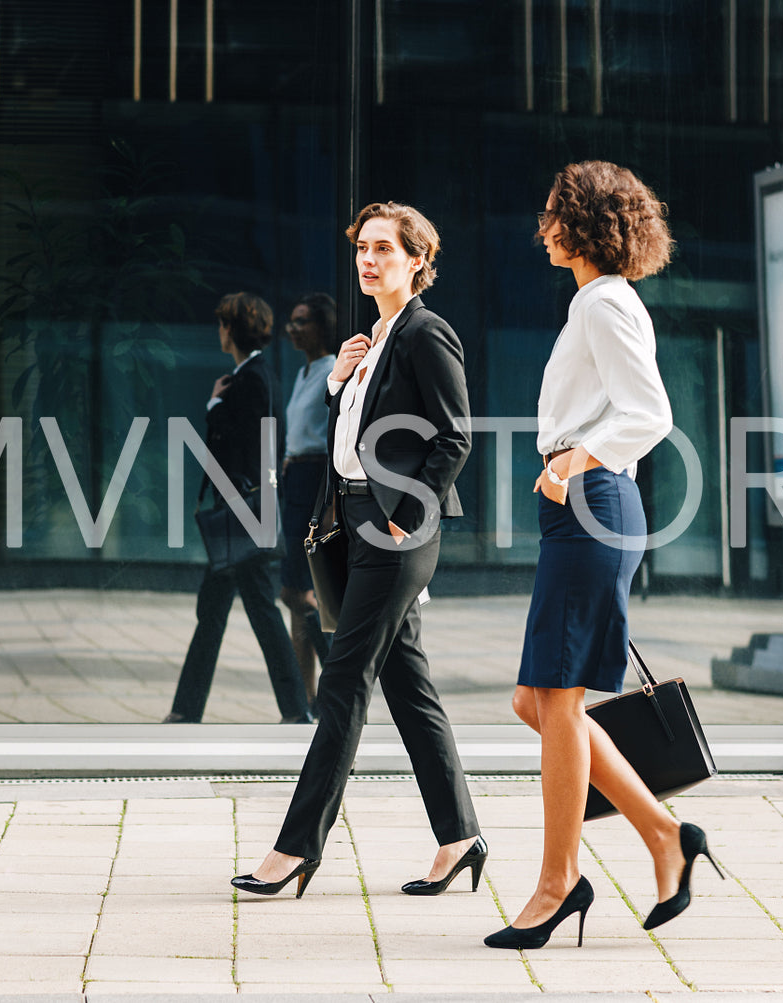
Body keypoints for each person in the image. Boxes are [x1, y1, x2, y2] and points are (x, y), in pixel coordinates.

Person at [485, 162, 720, 950]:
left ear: (582, 223)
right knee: (536, 700)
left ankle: (558, 883)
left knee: (555, 699)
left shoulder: (604, 302)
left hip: (592, 505)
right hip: (582, 511)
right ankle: (662, 832)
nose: (541, 226)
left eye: (553, 213)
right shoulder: (593, 302)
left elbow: (649, 412)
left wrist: (571, 461)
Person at [231, 202, 486, 899]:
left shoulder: (427, 332)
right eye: (362, 249)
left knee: (341, 681)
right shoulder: (372, 339)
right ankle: (460, 837)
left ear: (416, 260)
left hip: (392, 532)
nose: (368, 260)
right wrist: (344, 382)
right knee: (409, 689)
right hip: (353, 522)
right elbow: (354, 443)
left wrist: (405, 516)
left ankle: (294, 848)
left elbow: (454, 436)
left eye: (383, 248)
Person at [165, 293, 314, 725]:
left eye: (222, 325)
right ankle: (187, 710)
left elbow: (233, 447)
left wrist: (214, 407)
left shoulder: (247, 381)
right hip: (246, 513)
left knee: (249, 614)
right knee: (216, 613)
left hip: (241, 515)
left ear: (231, 330)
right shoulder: (261, 376)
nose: (219, 332)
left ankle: (294, 709)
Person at [279, 293, 340, 703]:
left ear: (321, 326)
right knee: (292, 593)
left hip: (314, 477)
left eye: (302, 321)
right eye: (292, 320)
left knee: (304, 592)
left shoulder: (332, 369)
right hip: (295, 475)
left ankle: (334, 685)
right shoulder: (304, 372)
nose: (293, 328)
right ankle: (305, 695)